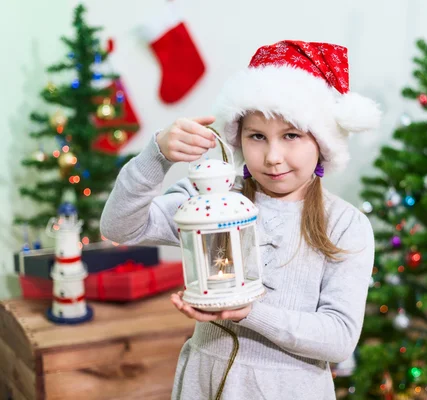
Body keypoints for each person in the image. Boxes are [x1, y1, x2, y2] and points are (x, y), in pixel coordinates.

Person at [100, 40, 381, 400]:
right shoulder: (212, 197)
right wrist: (156, 156)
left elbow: (338, 338)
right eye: (257, 137)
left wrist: (249, 311)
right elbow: (119, 226)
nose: (273, 157)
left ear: (323, 142)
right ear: (239, 138)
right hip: (205, 384)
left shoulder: (345, 224)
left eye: (291, 136)